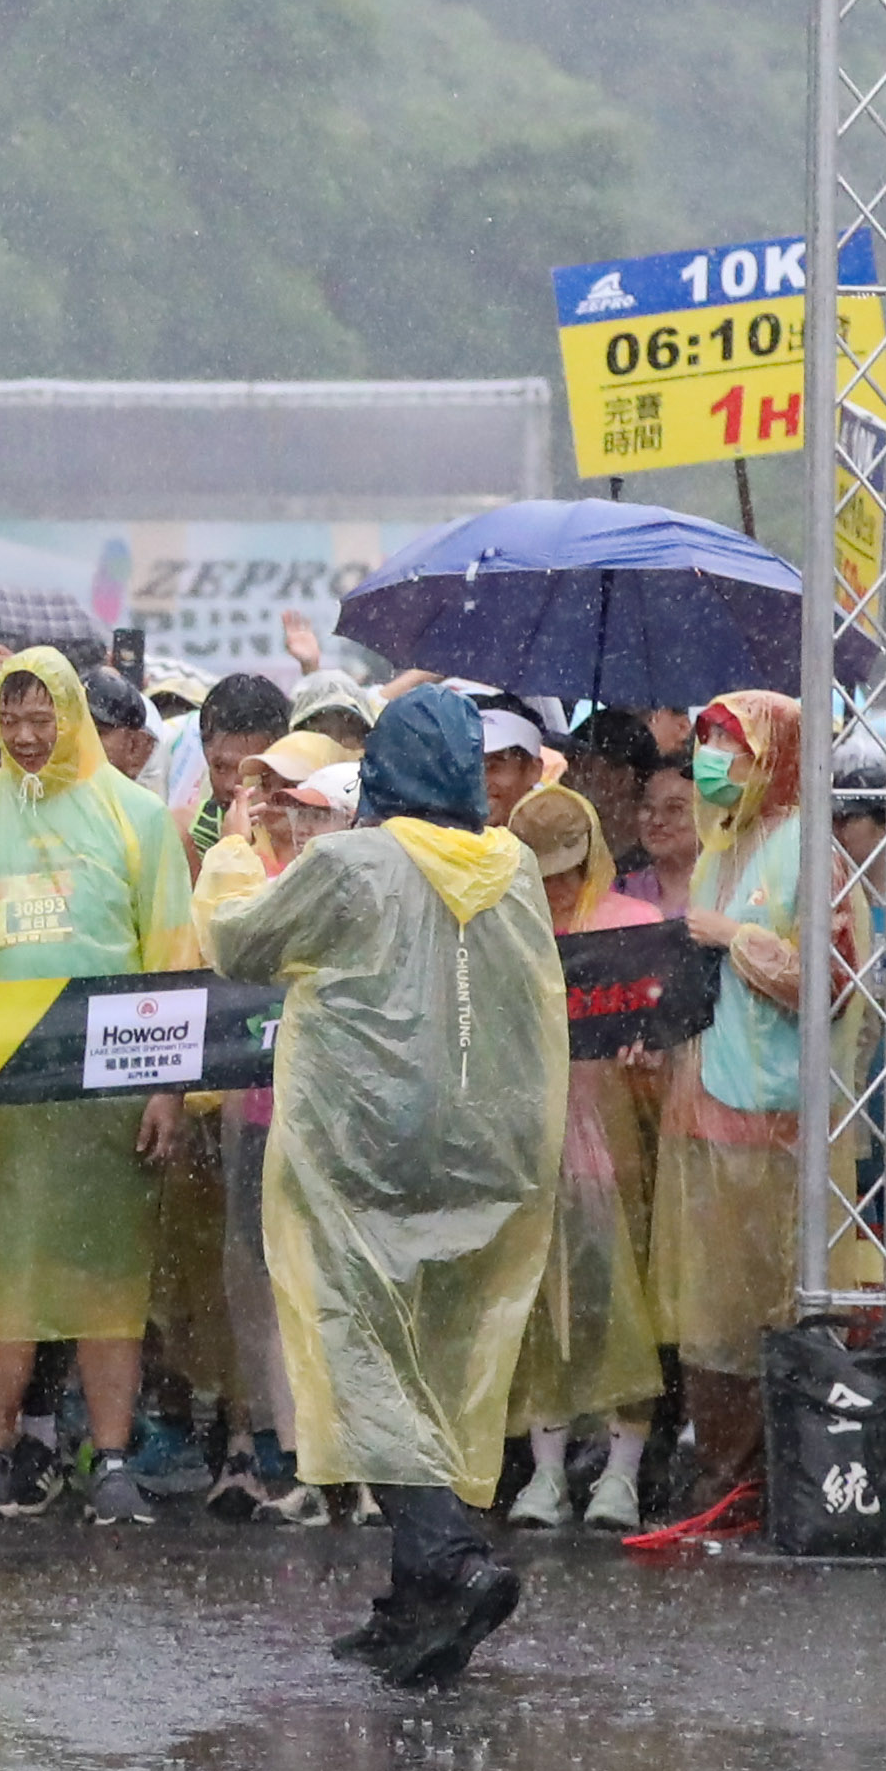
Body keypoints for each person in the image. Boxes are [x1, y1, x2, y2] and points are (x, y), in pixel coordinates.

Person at [217, 683, 568, 1684]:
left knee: (364, 1350)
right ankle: (414, 1596)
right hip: (486, 1144)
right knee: (438, 1355)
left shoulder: (353, 861)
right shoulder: (513, 865)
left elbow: (239, 946)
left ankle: (449, 1557)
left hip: (367, 1140)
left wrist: (242, 854)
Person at [0, 646, 198, 1522]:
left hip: (110, 1095)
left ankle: (112, 1459)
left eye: (43, 719)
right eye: (11, 719)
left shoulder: (138, 817)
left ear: (72, 717)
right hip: (0, 1095)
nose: (26, 736)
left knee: (109, 1282)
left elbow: (171, 953)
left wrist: (169, 1087)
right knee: (3, 1276)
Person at [632, 688, 815, 1545]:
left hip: (769, 1115)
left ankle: (758, 1480)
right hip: (698, 1106)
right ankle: (719, 1475)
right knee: (705, 1313)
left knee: (762, 1308)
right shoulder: (719, 850)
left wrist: (736, 939)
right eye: (706, 744)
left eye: (729, 748)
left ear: (774, 755)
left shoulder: (805, 848)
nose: (713, 764)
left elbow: (831, 979)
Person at [500, 771, 670, 1531]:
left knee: (621, 1309)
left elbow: (667, 1031)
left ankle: (621, 1473)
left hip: (619, 1146)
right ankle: (546, 1472)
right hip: (530, 1149)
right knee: (540, 1312)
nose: (556, 887)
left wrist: (648, 1054)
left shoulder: (634, 926)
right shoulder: (507, 931)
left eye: (565, 871)